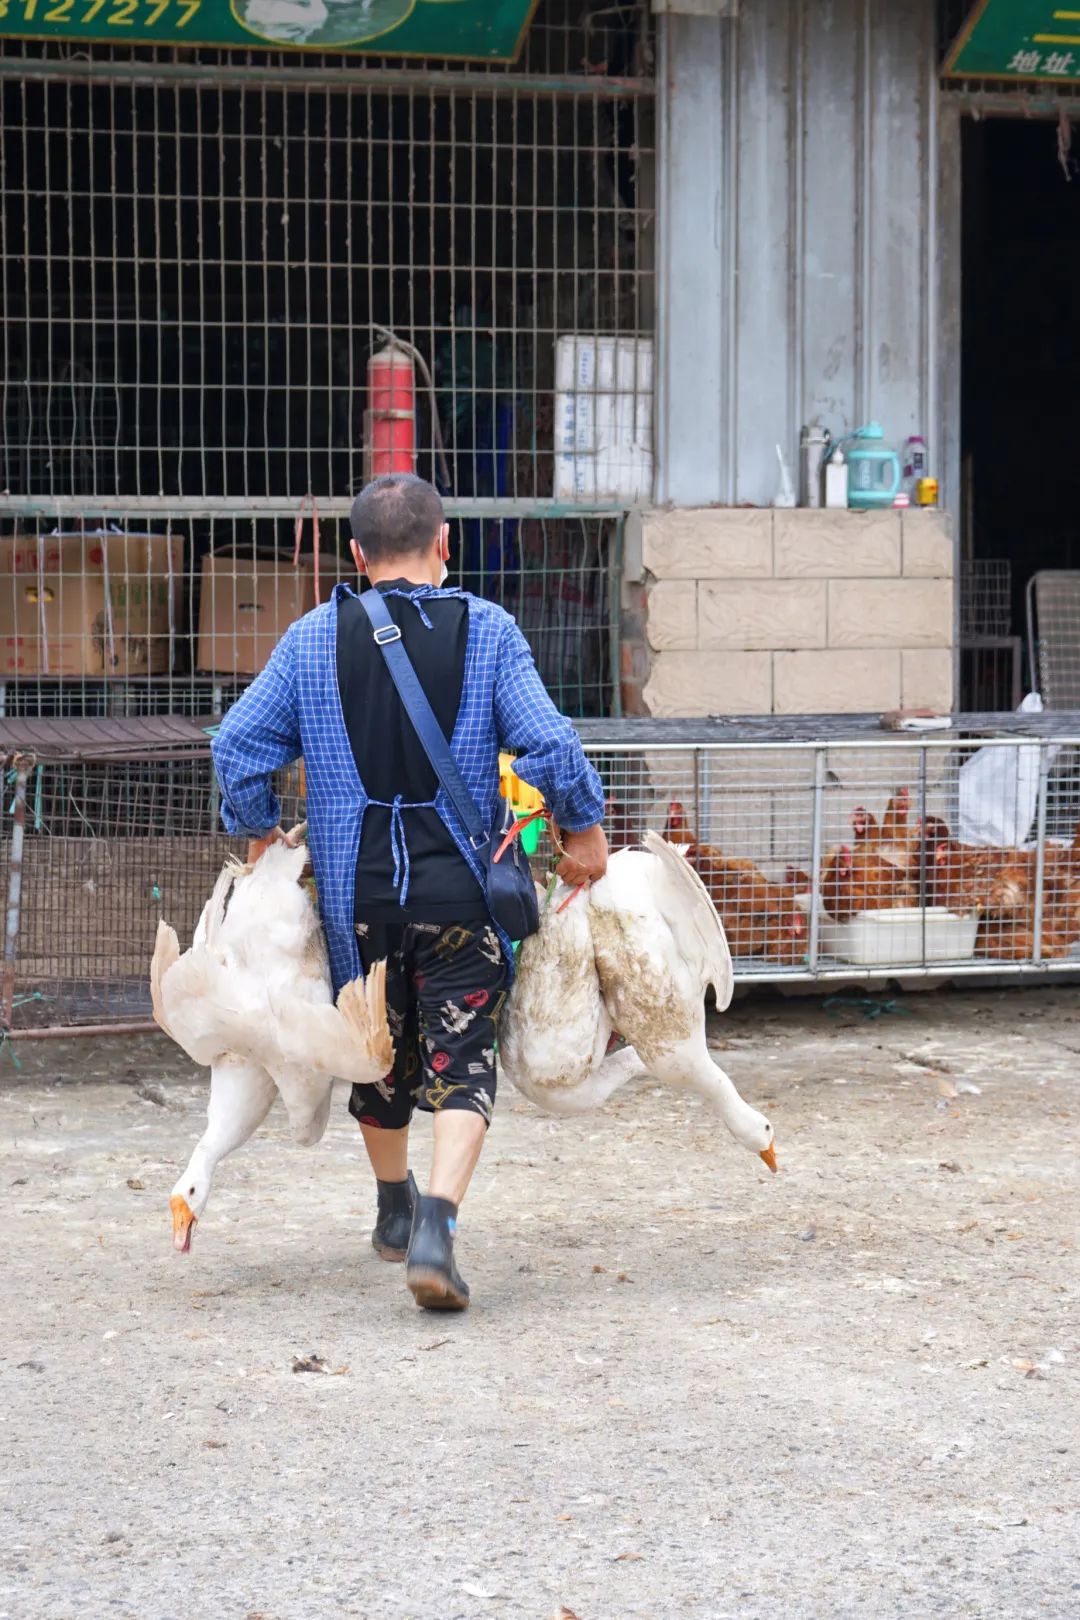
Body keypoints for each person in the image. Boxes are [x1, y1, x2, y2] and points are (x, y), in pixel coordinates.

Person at [211, 474, 608, 1310]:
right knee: (460, 1057)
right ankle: (437, 1225)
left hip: (358, 899)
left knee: (378, 1054)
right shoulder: (490, 632)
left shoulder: (313, 638)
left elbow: (239, 744)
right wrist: (582, 828)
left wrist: (257, 832)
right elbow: (551, 743)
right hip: (463, 892)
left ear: (355, 555)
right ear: (446, 542)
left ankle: (393, 1212)